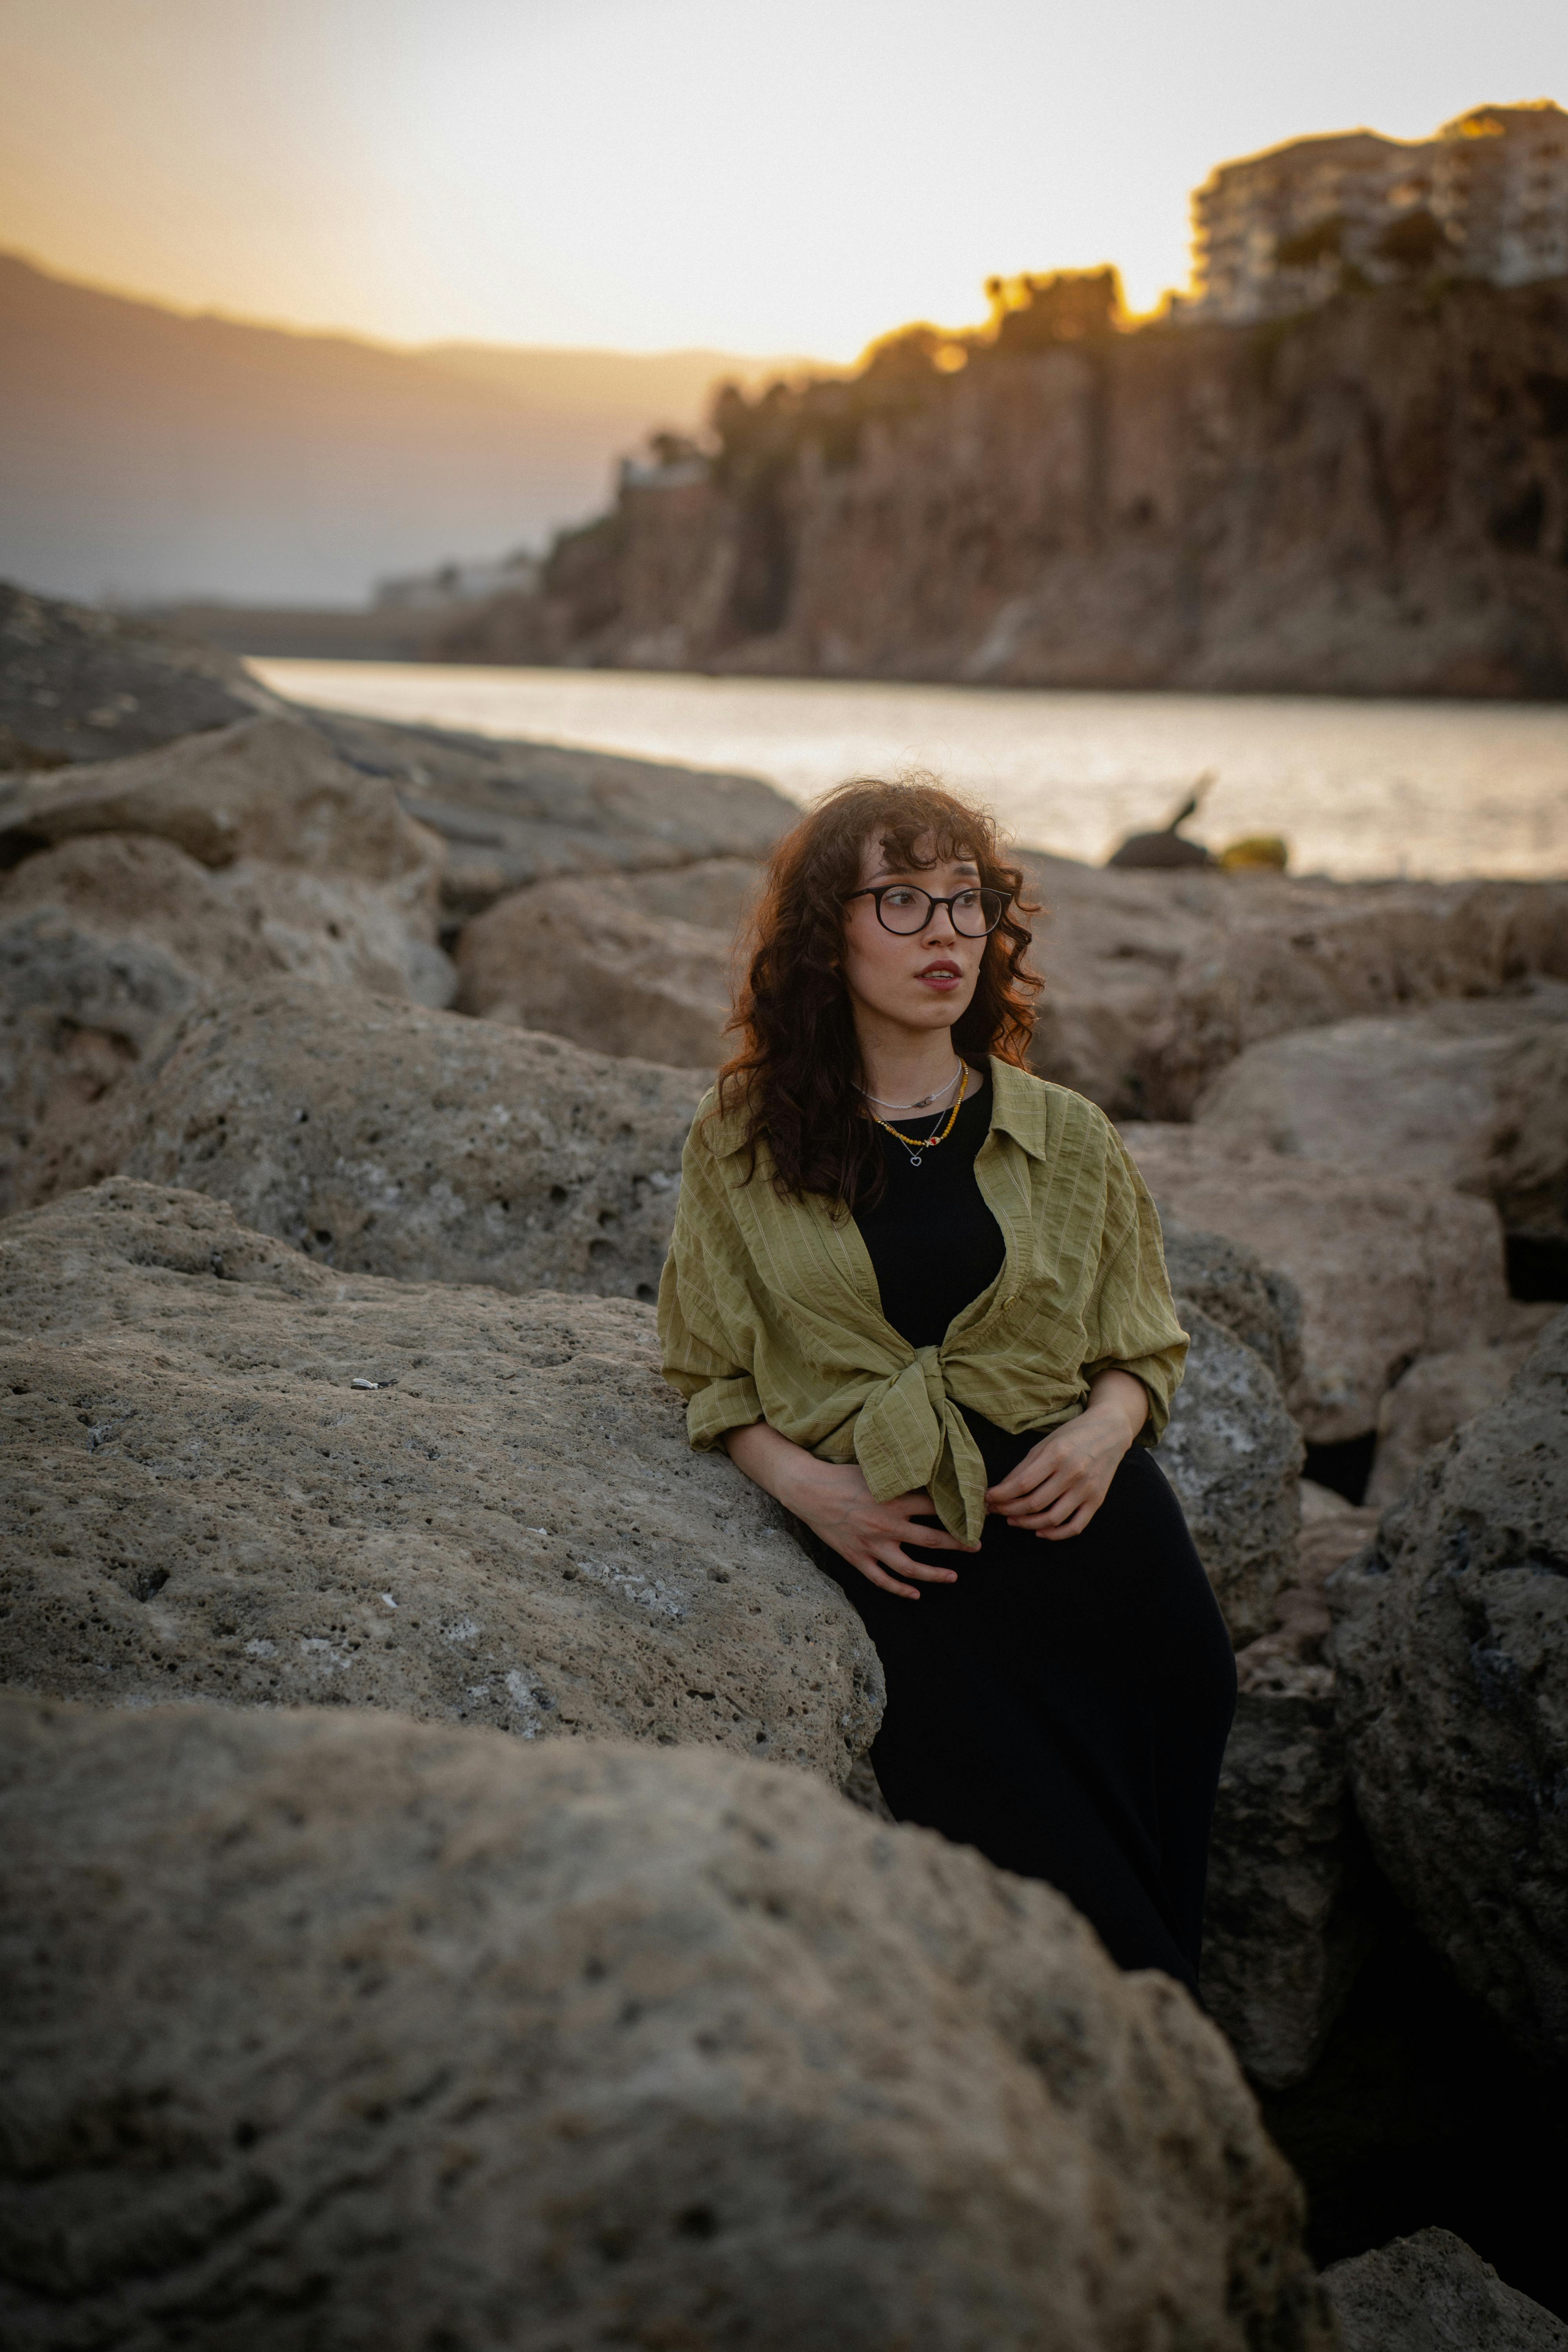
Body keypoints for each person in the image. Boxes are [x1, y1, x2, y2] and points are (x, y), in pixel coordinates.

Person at [657, 776, 1236, 1996]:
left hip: (1109, 1568)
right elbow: (709, 1372)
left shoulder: (1066, 1133)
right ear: (830, 931)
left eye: (968, 904)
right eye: (905, 900)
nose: (945, 935)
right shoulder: (741, 1138)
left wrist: (1103, 1437)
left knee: (1151, 1948)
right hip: (917, 1579)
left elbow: (1142, 1341)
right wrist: (812, 1492)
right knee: (1031, 1926)